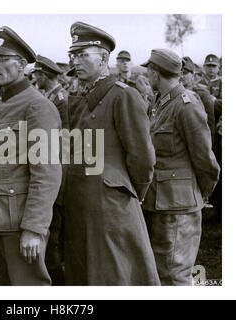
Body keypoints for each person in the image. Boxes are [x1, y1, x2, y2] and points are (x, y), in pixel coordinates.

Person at [64, 21, 160, 285]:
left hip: (111, 207)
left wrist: (129, 192)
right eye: (74, 55)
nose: (76, 61)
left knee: (115, 276)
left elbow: (142, 157)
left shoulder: (122, 96)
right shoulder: (83, 97)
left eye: (83, 55)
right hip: (82, 207)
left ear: (104, 58)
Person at [0, 26, 62, 285]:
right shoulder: (1, 103)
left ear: (22, 64)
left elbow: (46, 172)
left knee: (28, 286)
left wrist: (34, 229)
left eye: (4, 60)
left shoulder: (37, 106)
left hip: (19, 222)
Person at [141, 48, 220, 285]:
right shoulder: (161, 102)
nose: (148, 76)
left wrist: (198, 193)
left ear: (156, 74)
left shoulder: (186, 105)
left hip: (179, 207)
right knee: (159, 271)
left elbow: (205, 159)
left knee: (175, 275)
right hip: (160, 203)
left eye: (149, 72)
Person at [33, 54, 69, 285]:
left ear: (44, 75)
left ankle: (59, 282)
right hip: (52, 167)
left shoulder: (60, 100)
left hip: (58, 171)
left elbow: (64, 141)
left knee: (53, 235)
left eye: (37, 74)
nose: (34, 78)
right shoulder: (51, 97)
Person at [181, 56, 215, 144]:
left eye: (185, 73)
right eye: (178, 73)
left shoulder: (202, 94)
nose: (181, 76)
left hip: (199, 141)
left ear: (192, 74)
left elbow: (210, 124)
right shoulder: (174, 93)